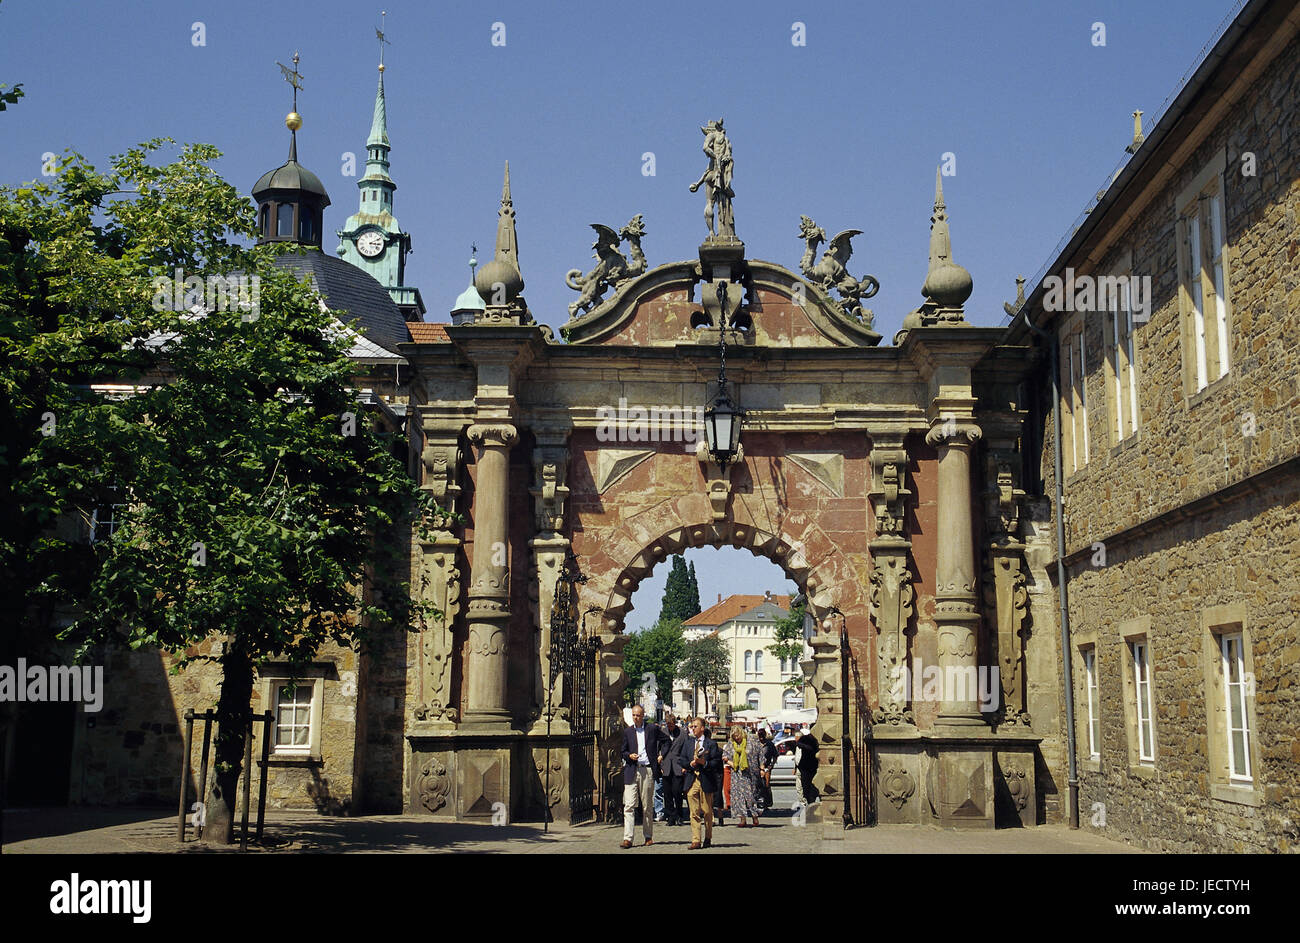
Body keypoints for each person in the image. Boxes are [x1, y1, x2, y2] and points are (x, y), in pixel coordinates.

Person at [620, 704, 668, 848]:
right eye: (634, 715)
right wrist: (629, 755)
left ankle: (648, 835)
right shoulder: (627, 731)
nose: (636, 717)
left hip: (647, 770)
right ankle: (628, 838)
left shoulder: (652, 729)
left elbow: (666, 741)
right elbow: (622, 751)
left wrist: (661, 755)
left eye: (638, 715)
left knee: (647, 805)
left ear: (643, 715)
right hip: (631, 770)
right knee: (628, 805)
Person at [674, 716, 722, 849]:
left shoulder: (711, 744)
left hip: (706, 779)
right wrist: (689, 764)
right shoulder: (688, 743)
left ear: (702, 728)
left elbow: (716, 763)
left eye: (695, 726)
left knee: (707, 811)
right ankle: (696, 839)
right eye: (691, 726)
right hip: (692, 779)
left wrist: (704, 763)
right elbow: (681, 759)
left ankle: (708, 837)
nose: (692, 729)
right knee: (693, 812)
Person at [723, 726, 763, 827]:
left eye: (738, 735)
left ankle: (755, 817)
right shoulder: (731, 743)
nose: (736, 738)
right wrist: (732, 763)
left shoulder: (751, 741)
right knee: (738, 797)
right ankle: (742, 819)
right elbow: (725, 756)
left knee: (750, 796)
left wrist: (762, 767)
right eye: (734, 736)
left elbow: (760, 753)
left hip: (750, 773)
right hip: (737, 774)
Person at [658, 713, 685, 826]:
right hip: (666, 766)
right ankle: (670, 815)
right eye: (669, 726)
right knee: (667, 793)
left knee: (677, 792)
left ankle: (679, 814)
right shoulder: (663, 732)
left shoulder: (682, 733)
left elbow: (685, 750)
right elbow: (658, 748)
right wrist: (660, 766)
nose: (670, 728)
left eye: (672, 725)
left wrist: (684, 766)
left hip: (678, 766)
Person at [795, 724, 820, 806]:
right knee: (805, 787)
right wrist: (808, 748)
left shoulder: (817, 739)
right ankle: (809, 802)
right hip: (805, 767)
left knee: (814, 786)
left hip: (813, 767)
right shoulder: (806, 738)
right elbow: (798, 743)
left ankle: (812, 800)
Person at [757, 727, 777, 810]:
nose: (761, 738)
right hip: (757, 767)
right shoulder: (756, 744)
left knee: (766, 785)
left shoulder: (769, 744)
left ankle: (767, 802)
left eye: (762, 736)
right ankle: (758, 802)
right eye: (760, 736)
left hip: (766, 767)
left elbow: (775, 755)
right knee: (757, 785)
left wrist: (771, 765)